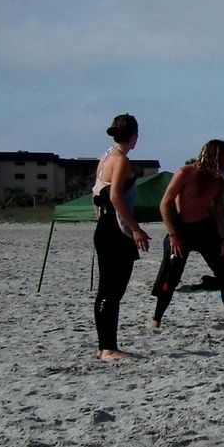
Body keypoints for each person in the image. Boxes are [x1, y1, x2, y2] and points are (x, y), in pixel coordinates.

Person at [150, 139, 224, 330]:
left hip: (205, 230)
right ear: (215, 157)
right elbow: (164, 204)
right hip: (181, 229)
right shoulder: (185, 173)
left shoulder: (219, 181)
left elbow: (218, 212)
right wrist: (172, 234)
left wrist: (223, 239)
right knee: (171, 277)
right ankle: (156, 319)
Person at [92, 113, 152, 360]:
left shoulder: (104, 157)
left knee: (106, 289)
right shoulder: (120, 161)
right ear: (134, 136)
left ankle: (104, 345)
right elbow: (116, 197)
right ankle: (108, 348)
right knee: (112, 290)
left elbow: (96, 195)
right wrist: (136, 229)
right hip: (115, 229)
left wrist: (101, 220)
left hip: (104, 226)